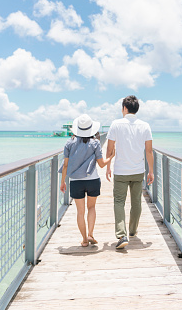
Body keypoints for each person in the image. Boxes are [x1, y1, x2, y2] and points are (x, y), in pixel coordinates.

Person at [106, 95, 154, 249]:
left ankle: (122, 234)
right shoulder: (145, 126)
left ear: (125, 108)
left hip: (121, 170)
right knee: (136, 202)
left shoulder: (115, 124)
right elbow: (149, 151)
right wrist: (151, 171)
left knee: (119, 201)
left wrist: (107, 166)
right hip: (138, 170)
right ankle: (132, 231)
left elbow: (109, 148)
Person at [60, 114, 114, 247]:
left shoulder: (69, 143)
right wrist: (111, 157)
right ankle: (90, 234)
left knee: (80, 211)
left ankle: (84, 240)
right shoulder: (95, 143)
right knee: (91, 207)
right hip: (92, 180)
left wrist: (63, 181)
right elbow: (101, 164)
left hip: (75, 181)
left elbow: (65, 165)